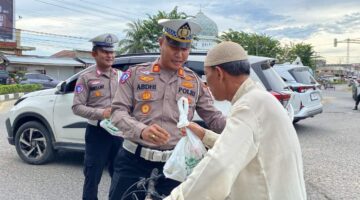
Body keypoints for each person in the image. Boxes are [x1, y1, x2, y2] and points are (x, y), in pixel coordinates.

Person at [165, 41, 307, 200]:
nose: (206, 85)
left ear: (219, 73)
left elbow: (219, 166)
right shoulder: (259, 99)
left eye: (206, 75)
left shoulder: (248, 106)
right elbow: (242, 146)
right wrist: (204, 135)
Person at [109, 19, 226, 200]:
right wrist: (142, 130)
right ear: (161, 43)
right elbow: (117, 112)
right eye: (174, 47)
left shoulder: (194, 82)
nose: (179, 54)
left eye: (184, 49)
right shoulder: (134, 74)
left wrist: (243, 125)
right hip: (133, 162)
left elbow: (214, 118)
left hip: (174, 167)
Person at [72, 33, 123, 200]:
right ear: (94, 54)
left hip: (119, 134)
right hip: (97, 135)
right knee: (92, 178)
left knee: (119, 177)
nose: (110, 55)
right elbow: (77, 107)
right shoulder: (86, 78)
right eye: (105, 52)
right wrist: (101, 113)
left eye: (112, 52)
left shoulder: (122, 76)